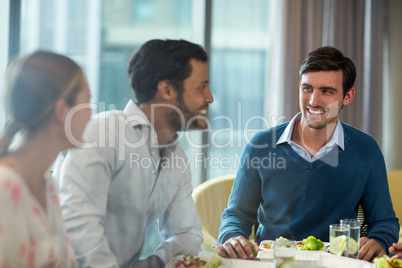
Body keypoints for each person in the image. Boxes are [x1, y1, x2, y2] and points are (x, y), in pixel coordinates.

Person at [217, 46, 399, 262]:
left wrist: (378, 240)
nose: (313, 101)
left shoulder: (366, 149)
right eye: (307, 88)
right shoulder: (261, 145)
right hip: (273, 263)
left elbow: (384, 221)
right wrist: (234, 237)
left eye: (327, 91)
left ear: (347, 96)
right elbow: (236, 215)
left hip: (338, 264)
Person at [53, 39, 213, 268]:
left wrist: (154, 262)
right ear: (166, 89)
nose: (209, 98)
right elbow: (78, 223)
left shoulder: (176, 156)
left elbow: (188, 232)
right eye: (201, 87)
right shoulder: (104, 134)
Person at [0, 51, 92, 267]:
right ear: (61, 111)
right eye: (87, 100)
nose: (91, 113)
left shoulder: (46, 183)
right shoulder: (4, 188)